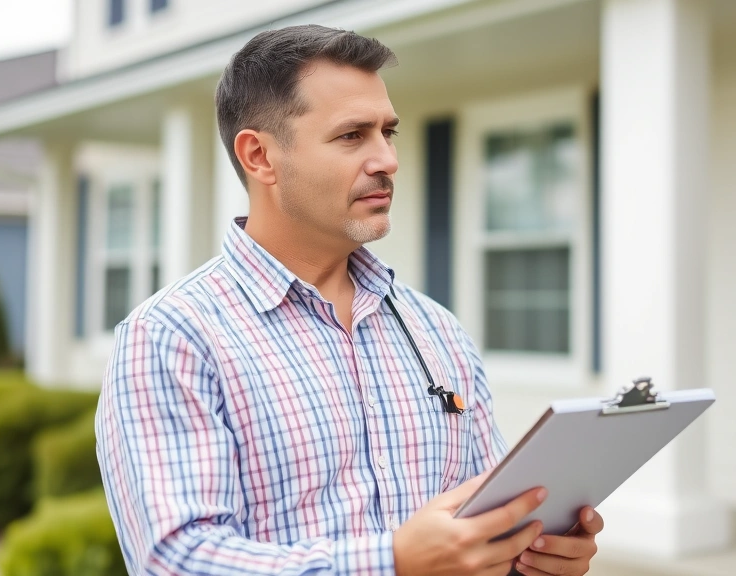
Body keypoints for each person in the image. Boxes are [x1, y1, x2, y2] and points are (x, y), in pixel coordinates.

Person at [96, 24, 603, 576]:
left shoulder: (437, 330)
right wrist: (391, 561)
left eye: (388, 132)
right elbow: (178, 560)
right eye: (351, 136)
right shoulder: (172, 337)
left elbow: (481, 524)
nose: (387, 159)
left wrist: (531, 554)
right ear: (259, 156)